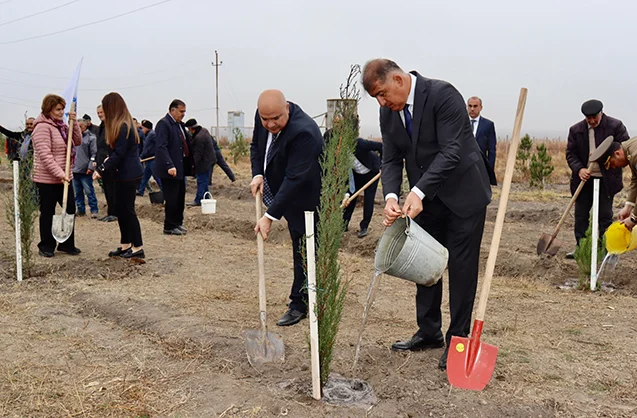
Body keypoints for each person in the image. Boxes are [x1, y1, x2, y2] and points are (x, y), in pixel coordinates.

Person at [362, 58, 494, 370]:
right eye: (376, 99)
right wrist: (392, 196)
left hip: (464, 195)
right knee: (424, 263)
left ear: (397, 80)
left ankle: (458, 339)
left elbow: (451, 151)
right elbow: (391, 158)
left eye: (382, 94)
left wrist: (418, 192)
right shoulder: (388, 111)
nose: (381, 102)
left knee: (461, 268)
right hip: (428, 198)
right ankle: (429, 331)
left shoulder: (443, 95)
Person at [249, 89, 323, 327]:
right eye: (265, 119)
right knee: (300, 250)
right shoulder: (263, 116)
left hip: (309, 199)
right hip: (286, 192)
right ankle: (305, 297)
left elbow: (295, 178)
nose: (270, 124)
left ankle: (302, 304)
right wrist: (258, 173)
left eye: (276, 119)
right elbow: (256, 147)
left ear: (287, 109)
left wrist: (269, 216)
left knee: (306, 250)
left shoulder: (305, 132)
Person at [565, 99, 629, 258]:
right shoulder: (576, 130)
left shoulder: (615, 126)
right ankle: (582, 248)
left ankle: (604, 249)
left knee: (604, 216)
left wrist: (605, 158)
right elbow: (570, 154)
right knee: (581, 216)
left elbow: (624, 150)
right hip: (584, 180)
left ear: (601, 113)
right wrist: (579, 169)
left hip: (607, 180)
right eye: (589, 118)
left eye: (595, 117)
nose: (592, 121)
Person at [94, 92, 145, 259]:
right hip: (122, 174)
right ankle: (125, 245)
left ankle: (138, 247)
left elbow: (119, 154)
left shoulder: (124, 126)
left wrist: (101, 169)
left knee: (128, 211)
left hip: (129, 175)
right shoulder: (120, 125)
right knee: (121, 211)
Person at [31, 94, 82, 257]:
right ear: (49, 109)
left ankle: (66, 243)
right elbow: (45, 156)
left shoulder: (62, 126)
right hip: (47, 179)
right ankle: (46, 245)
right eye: (58, 109)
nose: (61, 113)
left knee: (70, 209)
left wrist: (73, 124)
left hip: (65, 177)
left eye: (63, 109)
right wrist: (60, 174)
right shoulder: (42, 127)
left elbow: (77, 141)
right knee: (48, 211)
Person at [154, 99, 191, 235]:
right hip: (169, 169)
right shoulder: (164, 124)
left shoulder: (178, 125)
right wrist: (169, 164)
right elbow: (161, 147)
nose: (183, 114)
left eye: (184, 112)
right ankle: (169, 226)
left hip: (180, 167)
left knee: (180, 196)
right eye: (181, 111)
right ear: (172, 110)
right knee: (172, 198)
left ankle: (177, 223)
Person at [594, 137, 637, 231]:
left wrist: (634, 218)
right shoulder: (629, 149)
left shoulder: (635, 155)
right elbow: (635, 180)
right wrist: (628, 207)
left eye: (612, 163)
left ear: (617, 153)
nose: (614, 167)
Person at [184, 118, 216, 206]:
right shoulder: (204, 130)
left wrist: (192, 165)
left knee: (201, 180)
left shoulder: (199, 138)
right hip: (210, 159)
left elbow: (198, 154)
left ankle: (198, 200)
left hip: (205, 162)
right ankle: (206, 198)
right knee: (204, 181)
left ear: (191, 129)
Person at [72, 118, 99, 218]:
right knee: (77, 192)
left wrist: (91, 167)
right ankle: (80, 210)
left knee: (89, 191)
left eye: (80, 126)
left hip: (86, 170)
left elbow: (94, 153)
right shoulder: (72, 138)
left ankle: (94, 210)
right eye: (77, 127)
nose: (78, 129)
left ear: (85, 126)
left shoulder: (91, 138)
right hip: (74, 170)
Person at [95, 104, 118, 222]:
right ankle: (111, 211)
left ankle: (114, 212)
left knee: (112, 188)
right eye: (98, 113)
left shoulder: (112, 126)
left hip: (110, 162)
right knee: (107, 188)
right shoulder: (101, 127)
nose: (99, 115)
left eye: (101, 112)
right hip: (101, 161)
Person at [467, 96, 497, 172]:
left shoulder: (488, 125)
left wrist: (490, 171)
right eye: (470, 106)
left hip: (481, 166)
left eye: (475, 106)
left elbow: (491, 150)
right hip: (464, 167)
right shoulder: (461, 123)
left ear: (481, 107)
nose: (472, 109)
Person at [137, 119, 160, 196]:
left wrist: (141, 156)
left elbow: (146, 148)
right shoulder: (148, 135)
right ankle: (141, 190)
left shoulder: (152, 135)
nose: (141, 130)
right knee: (145, 176)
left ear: (147, 128)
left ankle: (164, 190)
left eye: (142, 128)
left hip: (152, 159)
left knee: (156, 176)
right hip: (149, 159)